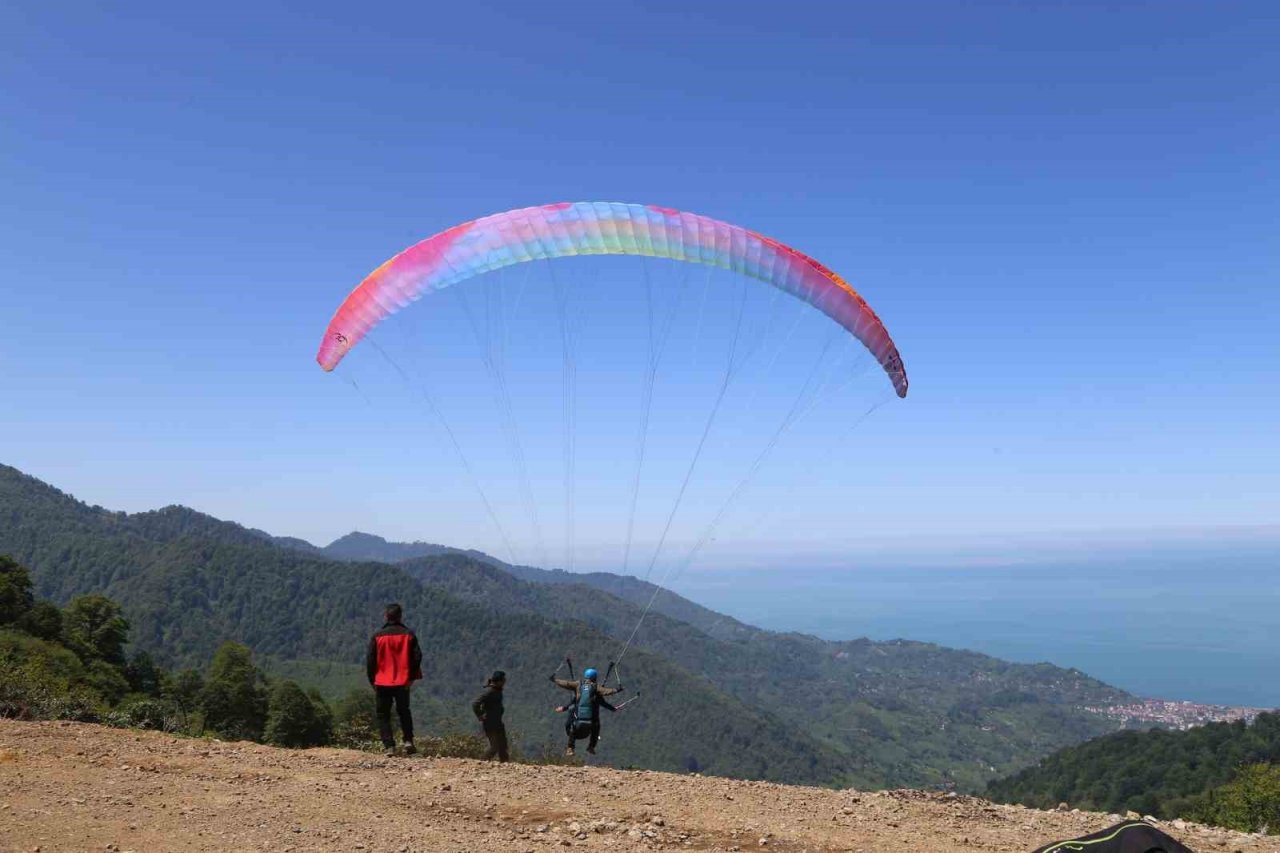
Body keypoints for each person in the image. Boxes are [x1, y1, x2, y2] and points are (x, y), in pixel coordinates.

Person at [366, 603, 422, 756]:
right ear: (400, 616)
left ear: (386, 616)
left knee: (383, 714)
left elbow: (370, 660)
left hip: (382, 681)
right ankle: (408, 741)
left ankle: (389, 746)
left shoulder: (377, 636)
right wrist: (411, 677)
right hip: (402, 682)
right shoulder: (408, 635)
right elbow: (417, 657)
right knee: (404, 711)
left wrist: (373, 681)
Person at [551, 666, 621, 755]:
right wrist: (617, 690)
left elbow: (566, 683)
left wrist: (555, 680)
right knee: (596, 727)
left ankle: (570, 748)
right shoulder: (596, 688)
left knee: (573, 725)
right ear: (595, 678)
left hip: (578, 717)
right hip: (591, 720)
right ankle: (591, 747)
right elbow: (606, 692)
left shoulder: (578, 685)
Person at [472, 670, 509, 762]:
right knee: (494, 747)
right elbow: (475, 704)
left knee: (503, 746)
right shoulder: (490, 692)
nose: (505, 682)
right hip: (490, 724)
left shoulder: (497, 691)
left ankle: (505, 766)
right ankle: (481, 763)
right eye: (503, 680)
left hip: (498, 723)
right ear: (499, 681)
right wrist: (480, 715)